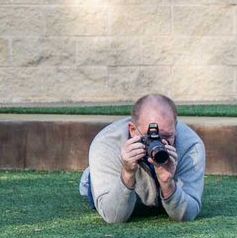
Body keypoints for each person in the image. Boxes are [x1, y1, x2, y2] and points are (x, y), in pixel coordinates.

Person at [78, 94, 205, 224]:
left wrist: (168, 183)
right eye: (150, 137)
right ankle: (90, 174)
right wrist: (127, 173)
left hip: (161, 195)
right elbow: (113, 217)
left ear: (175, 128)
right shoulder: (106, 144)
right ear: (133, 130)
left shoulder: (191, 146)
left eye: (166, 135)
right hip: (116, 177)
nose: (159, 143)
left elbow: (188, 214)